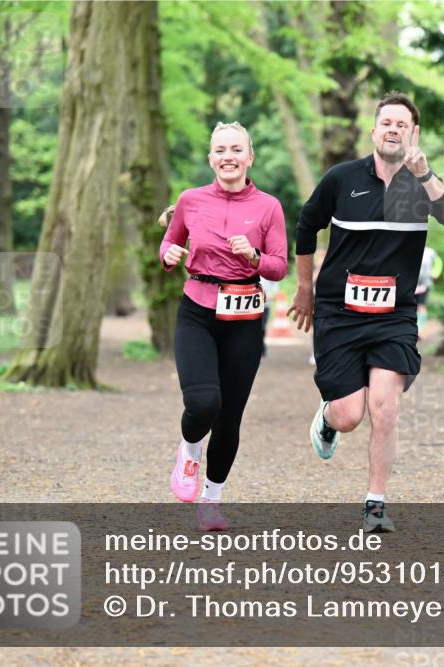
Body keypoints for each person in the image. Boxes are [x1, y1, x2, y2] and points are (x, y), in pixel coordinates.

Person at [288, 91, 444, 532]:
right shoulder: (342, 178)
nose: (393, 129)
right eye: (386, 122)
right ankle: (328, 419)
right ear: (373, 130)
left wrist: (426, 174)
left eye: (401, 124)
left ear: (413, 133)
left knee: (385, 408)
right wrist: (304, 289)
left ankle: (375, 506)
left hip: (394, 316)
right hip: (340, 312)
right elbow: (307, 226)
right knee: (351, 415)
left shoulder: (421, 184)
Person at [160, 121, 288, 531]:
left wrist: (253, 256)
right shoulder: (191, 200)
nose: (227, 157)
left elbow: (279, 266)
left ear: (250, 157)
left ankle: (212, 501)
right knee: (203, 403)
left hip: (245, 317)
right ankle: (190, 448)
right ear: (210, 157)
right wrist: (168, 255)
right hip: (197, 308)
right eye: (220, 150)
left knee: (230, 414)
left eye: (236, 149)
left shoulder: (268, 206)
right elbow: (169, 242)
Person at [415, 246, 443, 334]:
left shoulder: (430, 251)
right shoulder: (410, 248)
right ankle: (414, 328)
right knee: (412, 306)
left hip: (425, 284)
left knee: (421, 306)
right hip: (412, 285)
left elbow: (438, 262)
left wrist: (435, 273)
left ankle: (421, 328)